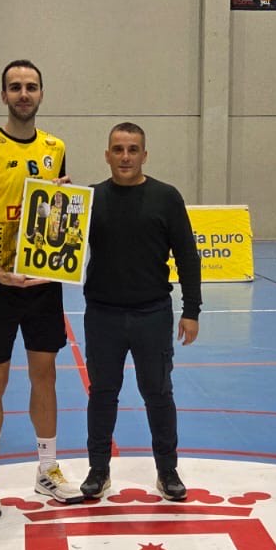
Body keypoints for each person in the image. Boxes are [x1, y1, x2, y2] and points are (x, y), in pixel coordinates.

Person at [0, 59, 84, 518]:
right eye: (15, 87)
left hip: (42, 285)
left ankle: (47, 469)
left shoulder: (56, 148)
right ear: (4, 95)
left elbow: (56, 212)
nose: (23, 94)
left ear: (42, 93)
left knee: (45, 375)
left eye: (31, 87)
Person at [80, 123, 202, 501]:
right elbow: (56, 245)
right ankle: (98, 471)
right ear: (107, 154)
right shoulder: (90, 198)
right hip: (102, 315)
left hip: (153, 314)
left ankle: (168, 471)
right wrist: (51, 199)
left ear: (145, 155)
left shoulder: (166, 197)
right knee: (102, 394)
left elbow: (186, 256)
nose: (126, 156)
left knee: (158, 393)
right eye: (118, 149)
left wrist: (192, 310)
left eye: (133, 149)